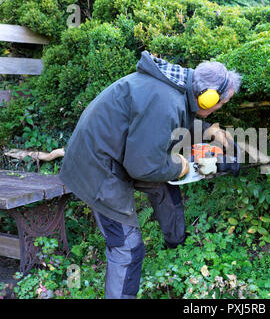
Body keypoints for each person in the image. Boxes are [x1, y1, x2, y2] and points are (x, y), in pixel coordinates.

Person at [59, 51, 242, 299]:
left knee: (163, 187)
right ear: (208, 98)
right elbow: (143, 166)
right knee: (128, 249)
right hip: (98, 168)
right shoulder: (165, 101)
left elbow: (174, 120)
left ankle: (175, 245)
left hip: (117, 154)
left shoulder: (177, 88)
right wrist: (182, 167)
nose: (221, 107)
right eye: (222, 102)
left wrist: (208, 130)